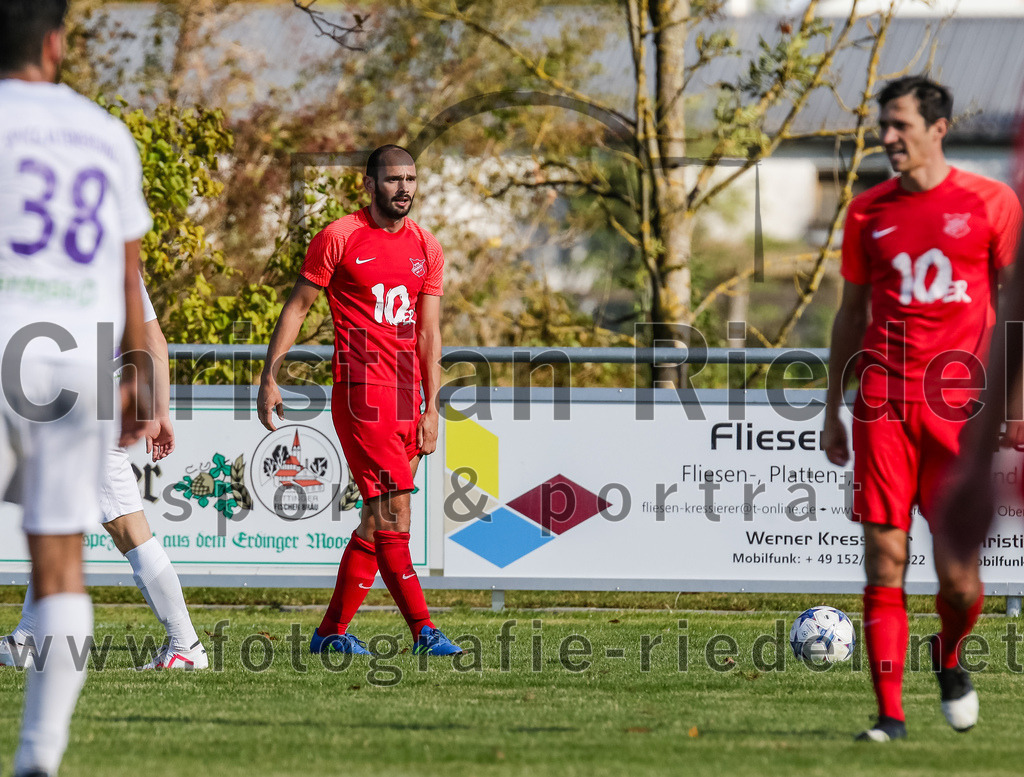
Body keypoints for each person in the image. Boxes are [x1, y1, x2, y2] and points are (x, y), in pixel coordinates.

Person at [822, 75, 1021, 742]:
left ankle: (949, 652)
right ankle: (890, 717)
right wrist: (832, 408)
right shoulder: (865, 211)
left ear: (938, 128)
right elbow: (850, 313)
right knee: (884, 559)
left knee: (960, 582)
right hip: (882, 405)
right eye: (883, 125)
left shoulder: (992, 203)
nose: (887, 137)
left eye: (900, 125)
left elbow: (1016, 310)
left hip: (959, 411)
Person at [0, 1, 154, 774]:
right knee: (60, 564)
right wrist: (140, 376)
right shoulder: (105, 134)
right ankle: (39, 755)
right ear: (56, 43)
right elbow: (128, 275)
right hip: (75, 362)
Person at [258, 144, 462, 656]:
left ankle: (330, 633)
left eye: (410, 179)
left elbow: (429, 334)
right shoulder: (339, 237)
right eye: (393, 179)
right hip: (362, 397)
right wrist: (270, 376)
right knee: (396, 516)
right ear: (369, 185)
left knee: (375, 521)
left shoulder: (427, 246)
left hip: (408, 400)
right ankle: (424, 631)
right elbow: (297, 307)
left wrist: (432, 408)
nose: (404, 188)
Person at [0, 278, 208, 672]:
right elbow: (154, 340)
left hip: (81, 407)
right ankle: (29, 637)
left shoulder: (50, 259)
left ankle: (186, 644)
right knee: (57, 521)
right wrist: (160, 410)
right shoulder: (112, 255)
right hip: (79, 404)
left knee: (127, 528)